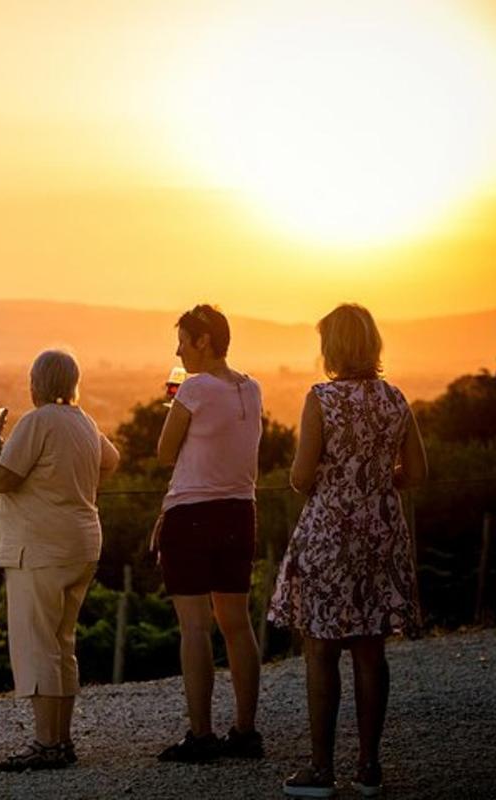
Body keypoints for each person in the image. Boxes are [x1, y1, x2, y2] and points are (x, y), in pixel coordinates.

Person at [269, 304, 426, 798]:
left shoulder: (322, 399)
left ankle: (321, 769)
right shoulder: (395, 399)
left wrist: (332, 486)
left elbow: (299, 476)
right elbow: (417, 473)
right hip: (381, 534)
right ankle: (369, 766)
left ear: (331, 348)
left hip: (330, 537)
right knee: (370, 649)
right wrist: (377, 484)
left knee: (320, 649)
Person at [0, 349, 120, 771]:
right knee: (62, 644)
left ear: (38, 383)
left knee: (37, 644)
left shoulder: (37, 421)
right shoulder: (84, 421)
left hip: (39, 547)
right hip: (81, 543)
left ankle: (46, 744)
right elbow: (110, 462)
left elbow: (4, 478)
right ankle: (61, 740)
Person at [153, 304, 264, 763]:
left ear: (203, 340)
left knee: (194, 627)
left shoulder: (194, 387)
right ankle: (246, 731)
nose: (178, 348)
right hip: (240, 513)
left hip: (192, 515)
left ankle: (201, 735)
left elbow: (164, 453)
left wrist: (175, 404)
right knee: (237, 626)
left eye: (183, 339)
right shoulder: (252, 388)